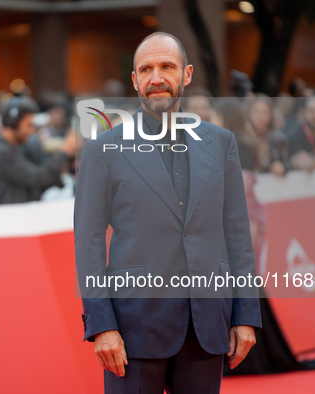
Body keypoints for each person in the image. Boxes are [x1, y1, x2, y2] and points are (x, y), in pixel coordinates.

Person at [75, 32, 261, 393]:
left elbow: (237, 234)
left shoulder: (221, 143)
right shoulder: (104, 150)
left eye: (167, 66)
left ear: (186, 74)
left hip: (206, 325)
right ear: (135, 80)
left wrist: (245, 315)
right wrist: (102, 326)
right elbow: (89, 243)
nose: (156, 77)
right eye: (146, 69)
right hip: (132, 328)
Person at [0, 96, 75, 205]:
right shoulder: (1, 152)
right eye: (28, 125)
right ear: (13, 123)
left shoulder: (12, 148)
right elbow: (37, 177)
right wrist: (64, 152)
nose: (31, 131)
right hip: (9, 218)